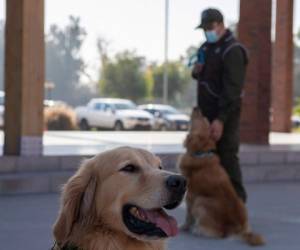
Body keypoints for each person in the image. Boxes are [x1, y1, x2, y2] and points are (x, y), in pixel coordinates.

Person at [191, 8, 248, 202]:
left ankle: (238, 206)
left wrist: (220, 120)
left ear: (221, 25)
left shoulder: (233, 50)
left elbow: (232, 89)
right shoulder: (205, 48)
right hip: (207, 115)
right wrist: (196, 71)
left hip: (226, 114)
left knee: (227, 157)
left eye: (210, 27)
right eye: (204, 28)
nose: (207, 31)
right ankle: (215, 206)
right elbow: (200, 74)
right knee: (208, 161)